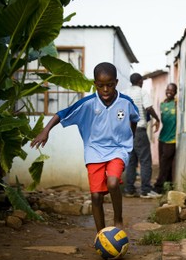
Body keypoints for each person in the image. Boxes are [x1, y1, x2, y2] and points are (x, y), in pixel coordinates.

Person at [30, 62, 140, 232]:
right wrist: (46, 130)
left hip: (118, 149)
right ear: (95, 84)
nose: (105, 90)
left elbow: (134, 119)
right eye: (101, 85)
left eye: (109, 85)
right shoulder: (88, 103)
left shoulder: (125, 102)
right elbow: (62, 114)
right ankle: (101, 235)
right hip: (94, 152)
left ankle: (118, 219)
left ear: (116, 83)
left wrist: (128, 141)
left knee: (112, 183)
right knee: (96, 196)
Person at [122, 73, 162, 199]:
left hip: (126, 132)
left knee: (131, 161)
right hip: (139, 130)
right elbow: (148, 107)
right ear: (140, 81)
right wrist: (157, 119)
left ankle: (129, 190)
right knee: (145, 161)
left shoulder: (124, 93)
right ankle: (145, 190)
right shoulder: (142, 92)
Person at [153, 83, 177, 194]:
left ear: (175, 92)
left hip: (171, 139)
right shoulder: (162, 104)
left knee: (164, 163)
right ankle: (169, 186)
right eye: (168, 89)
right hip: (162, 138)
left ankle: (158, 187)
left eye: (172, 90)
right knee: (165, 164)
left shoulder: (177, 104)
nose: (169, 92)